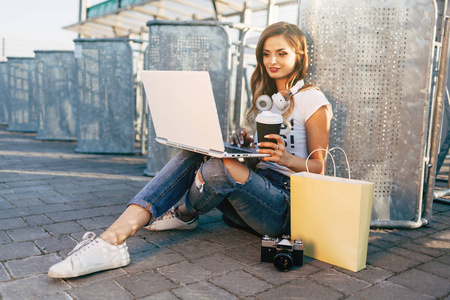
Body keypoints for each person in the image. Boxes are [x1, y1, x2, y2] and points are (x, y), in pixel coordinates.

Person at [48, 21, 333, 278]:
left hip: (283, 205)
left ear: (299, 55)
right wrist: (248, 148)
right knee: (199, 151)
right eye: (266, 53)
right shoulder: (267, 100)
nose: (272, 60)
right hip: (252, 198)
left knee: (217, 168)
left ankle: (184, 212)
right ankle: (111, 240)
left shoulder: (312, 99)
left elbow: (321, 166)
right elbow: (262, 164)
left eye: (281, 53)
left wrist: (285, 158)